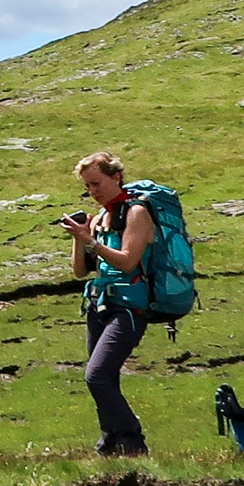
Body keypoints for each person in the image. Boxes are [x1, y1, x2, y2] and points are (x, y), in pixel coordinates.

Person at [59, 150, 155, 458]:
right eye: (87, 186)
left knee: (96, 376)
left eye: (97, 183)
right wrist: (80, 237)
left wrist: (91, 242)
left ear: (117, 177)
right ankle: (111, 445)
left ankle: (132, 441)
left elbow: (128, 262)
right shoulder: (100, 217)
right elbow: (79, 271)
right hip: (99, 305)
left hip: (129, 308)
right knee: (104, 378)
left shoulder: (137, 212)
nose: (93, 191)